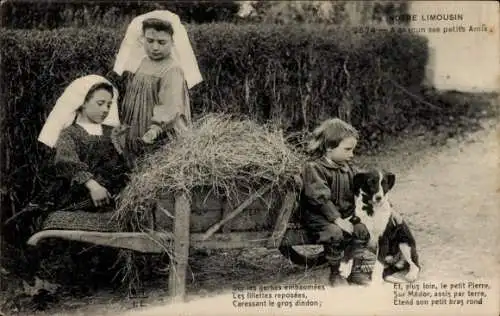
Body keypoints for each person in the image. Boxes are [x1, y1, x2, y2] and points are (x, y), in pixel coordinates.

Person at [109, 10, 203, 155]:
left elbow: (170, 105)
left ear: (172, 42)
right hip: (137, 123)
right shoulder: (144, 62)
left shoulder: (172, 69)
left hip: (158, 131)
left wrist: (155, 129)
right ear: (143, 39)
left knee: (152, 157)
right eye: (150, 41)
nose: (155, 47)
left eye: (161, 42)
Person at [300, 118, 373, 286]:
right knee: (335, 233)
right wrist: (338, 221)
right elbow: (319, 198)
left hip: (345, 214)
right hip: (320, 216)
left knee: (362, 229)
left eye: (353, 149)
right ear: (329, 148)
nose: (351, 154)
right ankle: (336, 273)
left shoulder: (347, 168)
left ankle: (356, 271)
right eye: (347, 149)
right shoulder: (314, 168)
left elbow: (363, 188)